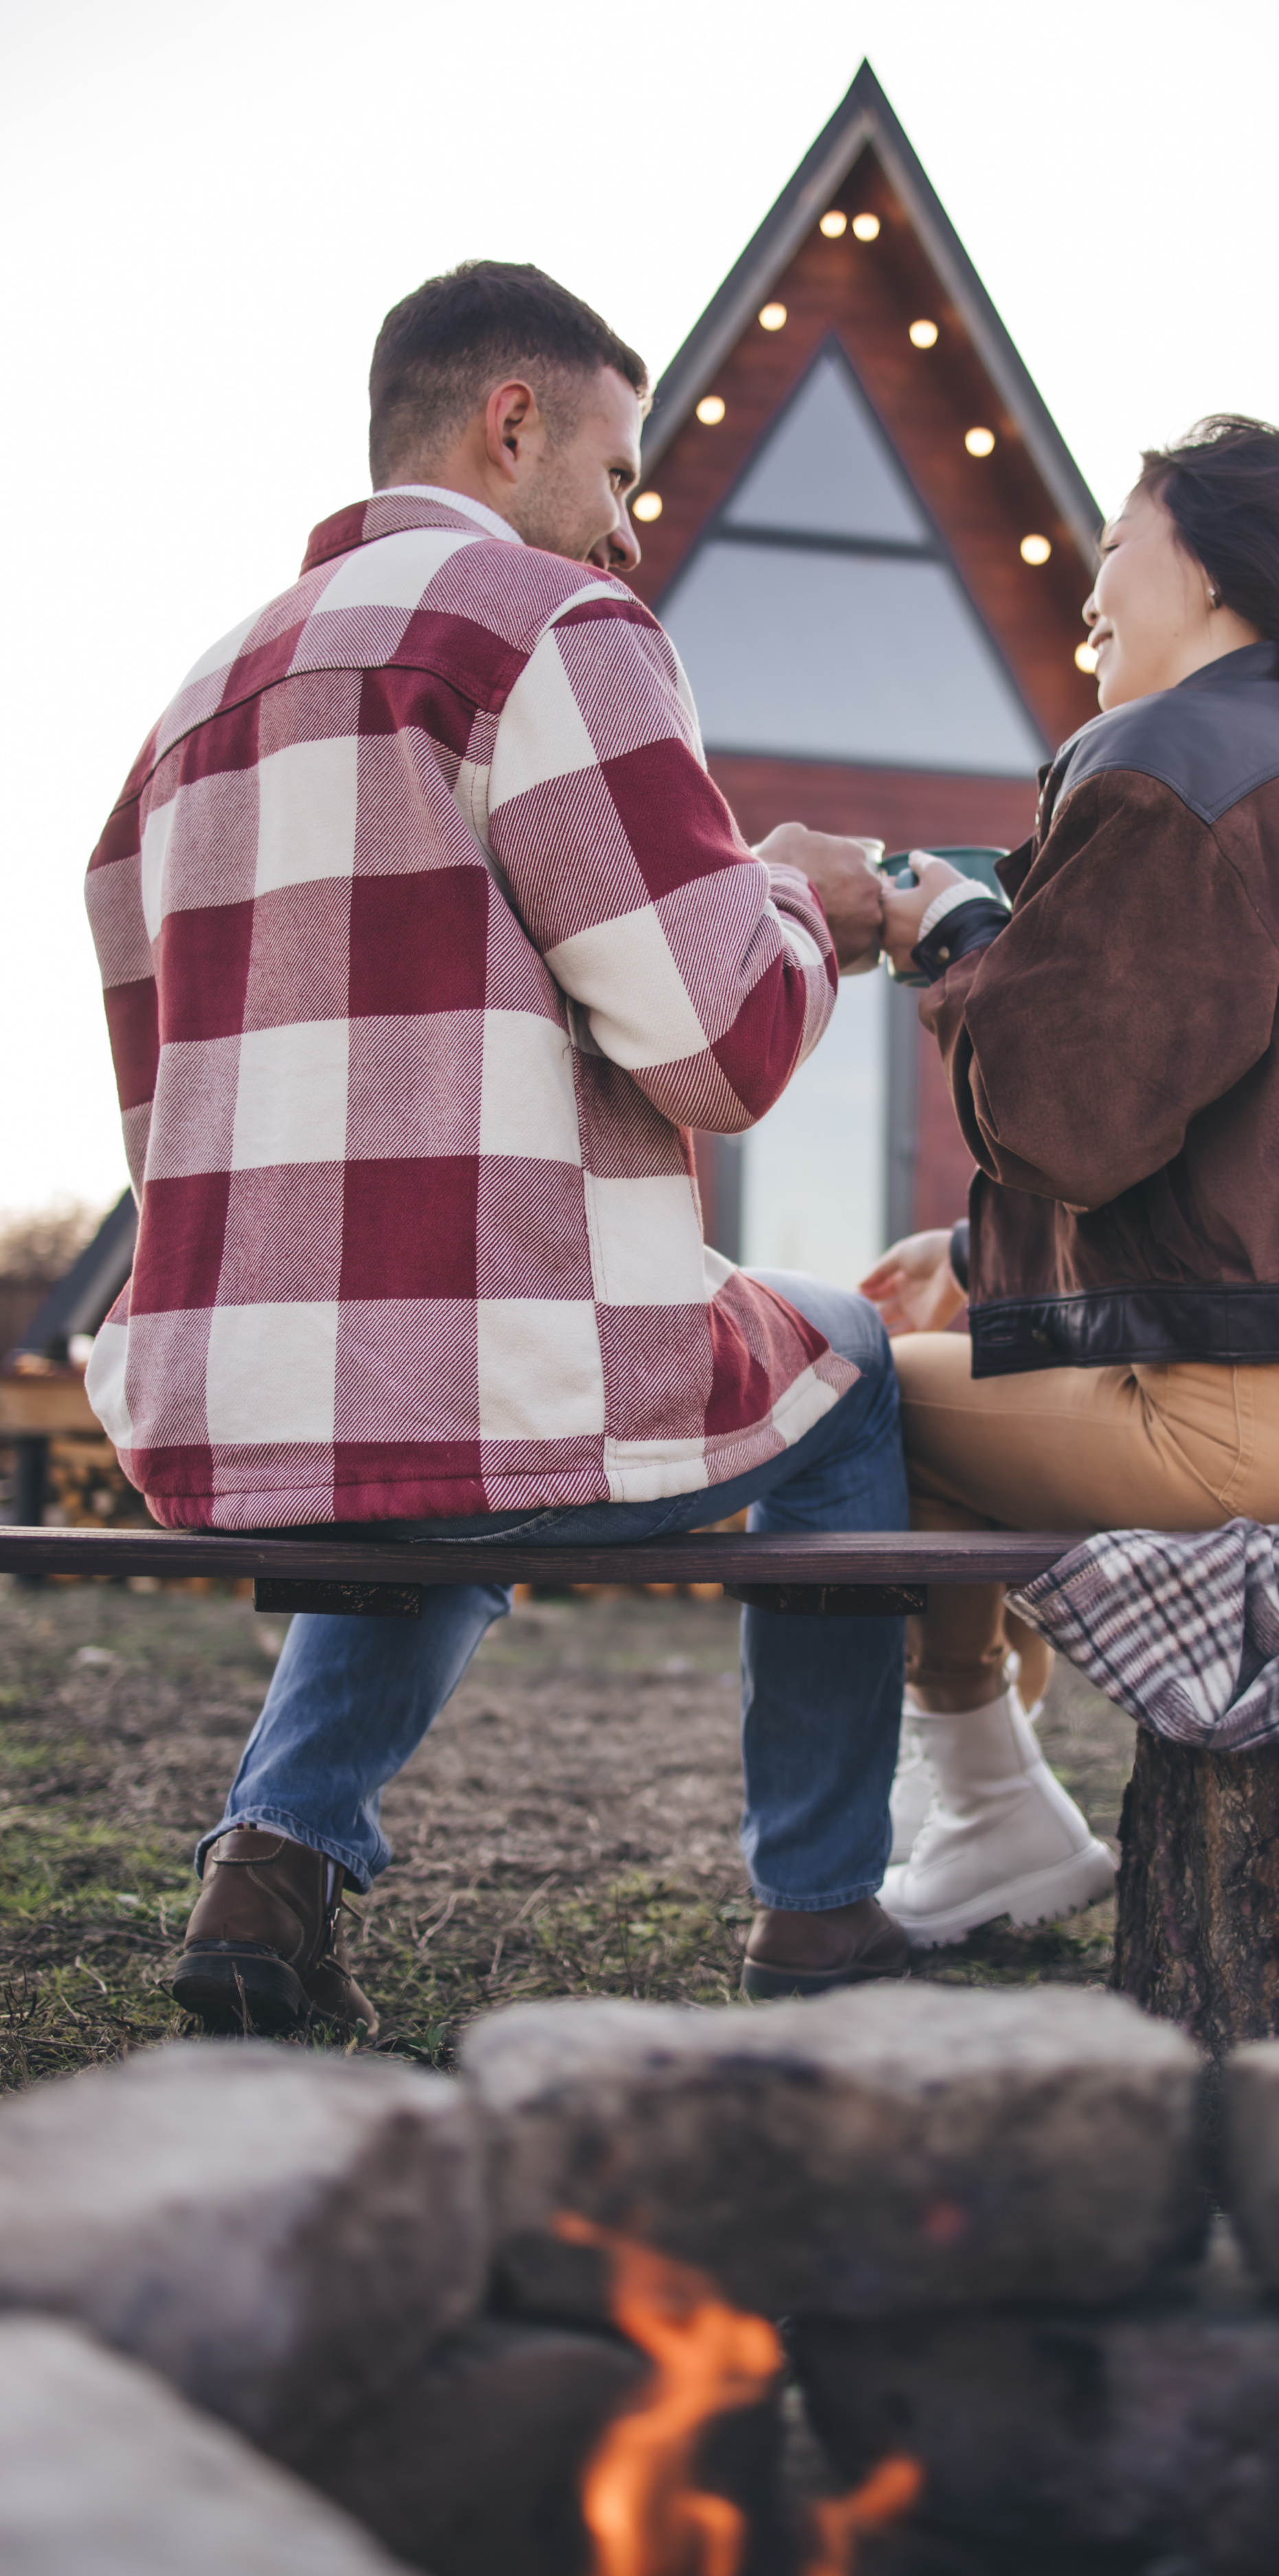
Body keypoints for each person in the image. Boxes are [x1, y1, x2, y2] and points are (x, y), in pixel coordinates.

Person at [82, 260, 914, 2029]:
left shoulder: (187, 710)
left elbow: (165, 1120)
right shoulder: (549, 633)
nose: (625, 534)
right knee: (852, 1366)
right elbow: (718, 1045)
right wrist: (801, 895)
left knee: (433, 1415)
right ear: (508, 421)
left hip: (237, 1390)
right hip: (492, 1380)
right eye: (617, 475)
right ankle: (822, 1910)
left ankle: (274, 1859)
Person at [862, 415, 1279, 1949]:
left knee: (857, 1404)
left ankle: (976, 1799)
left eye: (1109, 548)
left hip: (1261, 1430)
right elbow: (1262, 1147)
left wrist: (952, 939)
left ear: (1213, 567)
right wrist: (973, 1250)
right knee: (939, 1371)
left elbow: (1067, 1116)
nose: (1085, 594)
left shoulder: (1167, 759)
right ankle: (979, 1798)